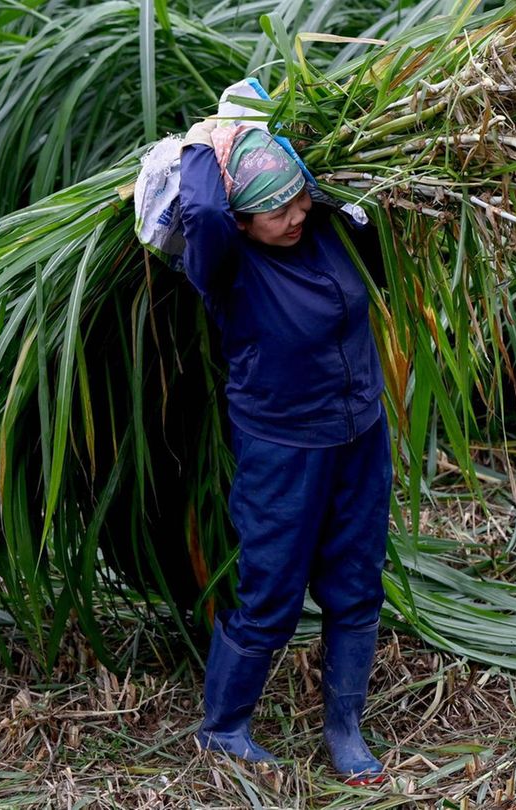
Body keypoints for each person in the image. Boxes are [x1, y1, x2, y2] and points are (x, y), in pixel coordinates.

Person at [166, 112, 392, 786]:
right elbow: (203, 210)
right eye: (275, 212)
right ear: (242, 223)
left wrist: (294, 161)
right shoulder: (226, 266)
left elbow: (364, 208)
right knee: (272, 590)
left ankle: (344, 730)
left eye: (298, 198)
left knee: (356, 584)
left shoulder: (326, 230)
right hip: (284, 446)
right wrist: (208, 143)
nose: (295, 216)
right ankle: (225, 727)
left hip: (359, 433)